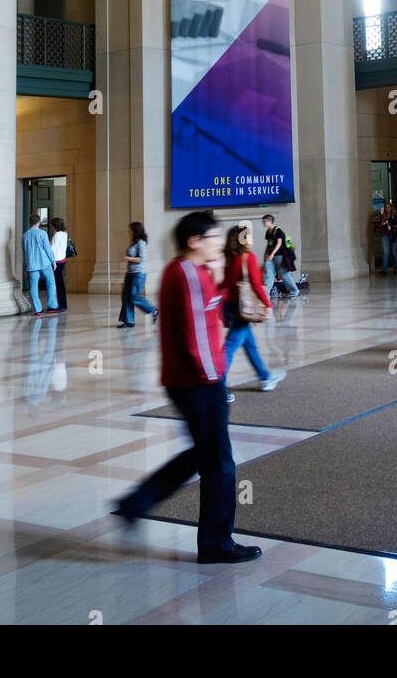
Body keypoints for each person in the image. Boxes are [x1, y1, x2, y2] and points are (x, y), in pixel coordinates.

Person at [112, 211, 261, 565]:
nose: (218, 241)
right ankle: (216, 544)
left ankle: (136, 503)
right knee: (221, 466)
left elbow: (214, 310)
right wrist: (216, 384)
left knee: (202, 454)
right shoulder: (185, 274)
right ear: (194, 241)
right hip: (198, 383)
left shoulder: (196, 272)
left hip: (191, 381)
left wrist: (224, 276)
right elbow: (196, 338)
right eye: (213, 236)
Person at [221, 223, 282, 402]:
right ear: (243, 239)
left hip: (231, 306)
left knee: (250, 344)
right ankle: (218, 387)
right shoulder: (248, 258)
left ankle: (265, 377)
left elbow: (224, 283)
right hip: (243, 308)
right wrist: (267, 304)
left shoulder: (229, 257)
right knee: (230, 347)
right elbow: (256, 285)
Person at [117, 222, 158, 328]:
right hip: (130, 273)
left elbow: (141, 259)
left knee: (134, 296)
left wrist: (128, 258)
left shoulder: (141, 242)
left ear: (135, 231)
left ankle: (153, 310)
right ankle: (129, 321)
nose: (128, 232)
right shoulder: (134, 242)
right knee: (125, 296)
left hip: (138, 273)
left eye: (130, 230)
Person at [22, 214, 58, 317]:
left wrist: (25, 266)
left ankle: (38, 310)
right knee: (51, 283)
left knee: (33, 287)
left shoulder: (25, 236)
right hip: (44, 263)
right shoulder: (43, 233)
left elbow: (24, 254)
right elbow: (47, 249)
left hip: (32, 265)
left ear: (30, 223)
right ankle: (52, 306)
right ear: (38, 222)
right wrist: (53, 261)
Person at [262, 213, 299, 298]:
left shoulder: (278, 230)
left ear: (270, 221)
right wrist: (265, 254)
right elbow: (268, 244)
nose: (263, 223)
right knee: (269, 274)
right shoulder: (268, 232)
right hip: (271, 256)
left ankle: (294, 291)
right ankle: (265, 295)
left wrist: (272, 254)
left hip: (280, 256)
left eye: (265, 221)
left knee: (285, 274)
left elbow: (279, 243)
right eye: (263, 221)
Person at [49, 216, 69, 313]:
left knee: (57, 284)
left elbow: (52, 249)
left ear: (54, 226)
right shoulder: (65, 234)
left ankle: (60, 305)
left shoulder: (56, 235)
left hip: (56, 261)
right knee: (60, 283)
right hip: (62, 260)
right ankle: (63, 304)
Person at [379, 201, 397, 274]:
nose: (387, 208)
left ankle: (396, 269)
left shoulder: (395, 215)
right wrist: (383, 220)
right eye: (385, 207)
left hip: (393, 235)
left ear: (391, 208)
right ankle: (384, 270)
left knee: (394, 252)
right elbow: (379, 226)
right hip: (385, 235)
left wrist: (390, 225)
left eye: (388, 207)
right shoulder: (382, 216)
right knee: (386, 253)